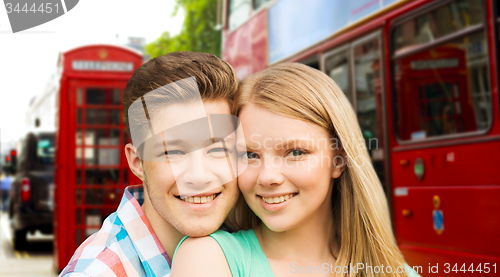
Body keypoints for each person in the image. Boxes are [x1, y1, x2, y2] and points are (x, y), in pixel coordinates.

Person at [172, 63, 420, 277]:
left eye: (296, 153)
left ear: (339, 160)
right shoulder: (208, 259)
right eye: (250, 155)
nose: (268, 176)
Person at [60, 52, 241, 276]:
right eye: (173, 152)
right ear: (137, 162)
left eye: (218, 149)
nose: (199, 176)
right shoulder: (98, 271)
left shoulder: (244, 239)